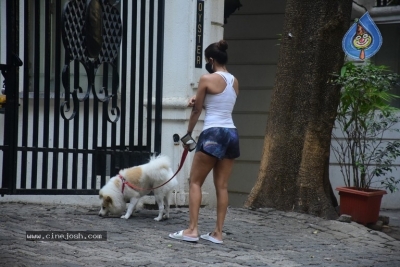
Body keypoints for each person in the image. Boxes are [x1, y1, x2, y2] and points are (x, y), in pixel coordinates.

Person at [169, 40, 240, 244]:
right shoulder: (235, 81)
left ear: (210, 60)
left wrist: (188, 134)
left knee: (195, 181)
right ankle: (218, 233)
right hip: (231, 133)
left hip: (213, 133)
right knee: (222, 186)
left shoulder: (206, 78)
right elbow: (220, 104)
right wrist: (198, 97)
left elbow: (197, 110)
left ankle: (192, 230)